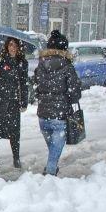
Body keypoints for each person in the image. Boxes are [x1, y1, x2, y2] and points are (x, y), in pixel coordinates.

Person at [33, 30, 82, 176]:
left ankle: (50, 168)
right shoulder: (67, 66)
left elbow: (36, 87)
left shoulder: (40, 65)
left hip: (43, 115)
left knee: (53, 150)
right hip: (59, 117)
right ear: (64, 49)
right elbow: (74, 94)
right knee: (54, 153)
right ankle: (50, 173)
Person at [0, 36, 29, 169]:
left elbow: (24, 83)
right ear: (7, 46)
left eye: (15, 45)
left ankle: (16, 157)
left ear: (19, 48)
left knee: (15, 131)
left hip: (13, 102)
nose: (13, 48)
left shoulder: (22, 62)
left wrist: (24, 103)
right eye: (10, 45)